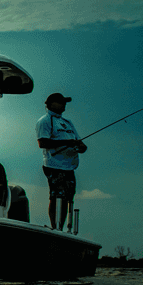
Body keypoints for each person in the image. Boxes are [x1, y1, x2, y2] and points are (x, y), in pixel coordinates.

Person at [35, 92, 86, 230]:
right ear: (50, 104)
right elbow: (42, 143)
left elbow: (78, 141)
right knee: (57, 196)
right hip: (54, 166)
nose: (64, 105)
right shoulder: (44, 121)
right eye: (61, 102)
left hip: (70, 167)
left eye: (65, 102)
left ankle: (64, 228)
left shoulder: (68, 123)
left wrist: (81, 146)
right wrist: (66, 142)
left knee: (68, 198)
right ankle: (55, 227)